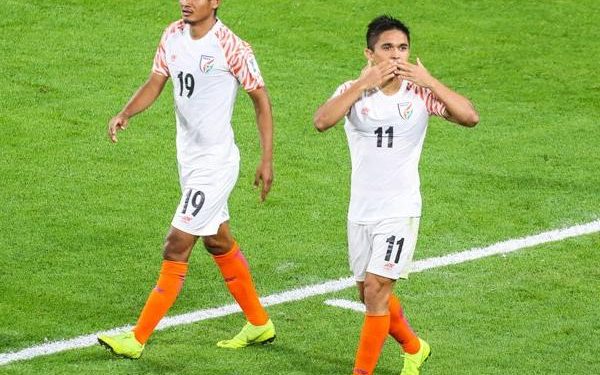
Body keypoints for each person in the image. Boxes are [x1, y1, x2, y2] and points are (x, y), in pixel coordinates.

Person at [98, 0, 275, 359]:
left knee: (176, 243)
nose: (186, 1)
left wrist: (266, 158)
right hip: (189, 163)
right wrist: (125, 112)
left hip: (216, 164)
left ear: (216, 2)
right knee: (217, 242)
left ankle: (137, 338)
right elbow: (155, 82)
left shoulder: (232, 46)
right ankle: (259, 323)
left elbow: (260, 99)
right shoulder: (172, 35)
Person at [313, 15, 479, 375]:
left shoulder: (419, 93)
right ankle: (415, 348)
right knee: (367, 292)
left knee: (375, 289)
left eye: (402, 48)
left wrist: (430, 80)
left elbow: (469, 117)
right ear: (369, 53)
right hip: (361, 211)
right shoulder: (353, 91)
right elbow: (322, 120)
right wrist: (361, 84)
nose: (396, 55)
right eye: (387, 48)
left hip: (399, 210)